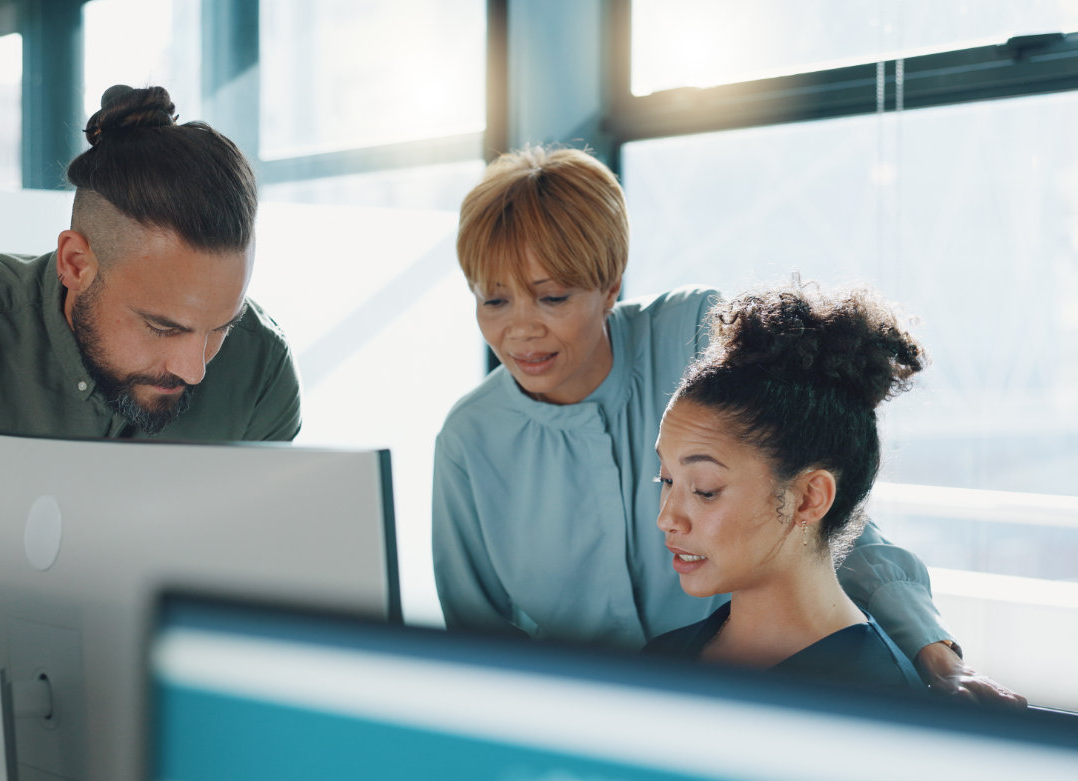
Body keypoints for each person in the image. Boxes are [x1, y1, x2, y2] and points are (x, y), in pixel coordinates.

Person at [431, 145, 1024, 703]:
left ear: (610, 285)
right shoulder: (468, 441)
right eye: (494, 300)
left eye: (552, 298)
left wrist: (930, 649)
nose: (521, 330)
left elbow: (818, 514)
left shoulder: (694, 335)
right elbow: (480, 642)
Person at [0, 85, 301, 781]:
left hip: (141, 710)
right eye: (165, 327)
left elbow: (240, 612)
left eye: (219, 327)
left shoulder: (259, 372)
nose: (194, 368)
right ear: (76, 262)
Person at [642, 283, 927, 690]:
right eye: (665, 479)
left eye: (704, 489)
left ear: (809, 498)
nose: (666, 518)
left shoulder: (880, 700)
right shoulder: (658, 662)